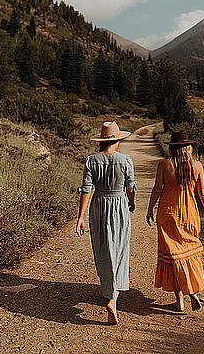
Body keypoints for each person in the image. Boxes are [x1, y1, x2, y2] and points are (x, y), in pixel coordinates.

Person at [146, 129, 204, 312]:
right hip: (190, 213)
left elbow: (157, 190)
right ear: (189, 148)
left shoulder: (164, 164)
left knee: (172, 255)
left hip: (168, 214)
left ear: (172, 148)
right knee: (188, 253)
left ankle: (180, 300)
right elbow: (202, 193)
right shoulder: (197, 165)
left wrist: (149, 209)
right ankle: (192, 293)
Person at [76, 121, 136, 325]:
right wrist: (132, 202)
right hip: (119, 205)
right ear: (117, 140)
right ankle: (113, 298)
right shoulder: (125, 160)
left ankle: (109, 289)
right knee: (120, 249)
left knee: (103, 248)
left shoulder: (92, 160)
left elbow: (86, 190)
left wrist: (80, 217)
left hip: (99, 205)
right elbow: (131, 188)